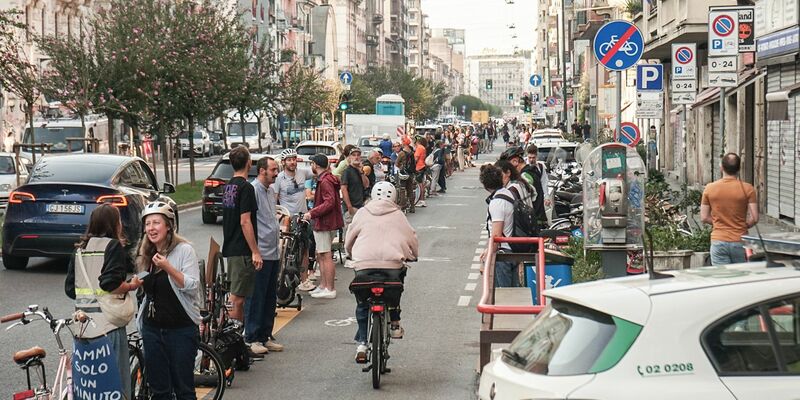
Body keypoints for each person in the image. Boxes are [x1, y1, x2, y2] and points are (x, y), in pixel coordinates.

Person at [65, 204, 140, 397]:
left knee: (91, 388)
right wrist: (131, 286)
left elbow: (70, 289)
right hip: (108, 326)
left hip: (82, 328)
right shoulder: (112, 246)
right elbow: (110, 283)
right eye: (119, 220)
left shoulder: (79, 250)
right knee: (115, 385)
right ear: (114, 224)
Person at [345, 181, 418, 362]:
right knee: (397, 285)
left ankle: (362, 343)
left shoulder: (362, 213)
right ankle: (394, 322)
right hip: (392, 265)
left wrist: (350, 253)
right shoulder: (398, 215)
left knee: (362, 301)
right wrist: (413, 255)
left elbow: (350, 237)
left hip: (364, 264)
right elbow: (411, 237)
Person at [136, 202, 202, 400]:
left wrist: (168, 267)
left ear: (168, 226)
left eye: (156, 223)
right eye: (148, 224)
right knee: (159, 390)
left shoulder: (184, 250)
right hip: (152, 330)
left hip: (180, 329)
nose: (151, 228)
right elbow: (143, 287)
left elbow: (191, 285)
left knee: (184, 389)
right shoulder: (145, 253)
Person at [246, 156, 285, 354]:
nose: (276, 173)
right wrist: (255, 251)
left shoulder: (270, 191)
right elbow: (248, 221)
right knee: (256, 296)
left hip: (273, 250)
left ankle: (264, 335)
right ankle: (252, 337)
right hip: (260, 251)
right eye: (273, 170)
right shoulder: (253, 190)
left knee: (270, 296)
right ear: (262, 170)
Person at [221, 147, 262, 331]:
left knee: (236, 295)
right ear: (249, 163)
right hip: (241, 249)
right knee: (237, 298)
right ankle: (234, 338)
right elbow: (245, 221)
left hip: (231, 246)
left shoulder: (229, 186)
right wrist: (255, 251)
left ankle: (233, 335)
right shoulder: (246, 187)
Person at [700, 153, 758, 266]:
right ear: (739, 169)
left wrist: (718, 222)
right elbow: (755, 218)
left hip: (718, 241)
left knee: (722, 277)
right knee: (741, 277)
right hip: (740, 241)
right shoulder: (748, 189)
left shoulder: (709, 188)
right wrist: (743, 225)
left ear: (721, 167)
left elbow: (704, 217)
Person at [303, 154, 344, 299]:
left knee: (325, 255)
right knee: (321, 254)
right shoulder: (327, 178)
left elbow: (329, 202)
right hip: (328, 222)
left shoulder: (325, 181)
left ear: (316, 164)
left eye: (312, 163)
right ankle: (324, 285)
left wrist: (312, 213)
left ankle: (329, 287)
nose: (311, 166)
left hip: (325, 222)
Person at [479, 164, 518, 287]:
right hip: (513, 250)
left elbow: (496, 235)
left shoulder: (497, 202)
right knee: (512, 293)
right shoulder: (508, 194)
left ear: (485, 184)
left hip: (503, 254)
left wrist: (487, 259)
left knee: (503, 295)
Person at [341, 147, 368, 263]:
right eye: (354, 155)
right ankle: (348, 256)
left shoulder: (359, 171)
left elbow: (366, 184)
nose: (356, 157)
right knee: (349, 232)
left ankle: (356, 254)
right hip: (351, 207)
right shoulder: (347, 172)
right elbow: (344, 189)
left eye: (358, 155)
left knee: (360, 232)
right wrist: (349, 206)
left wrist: (361, 172)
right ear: (349, 157)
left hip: (360, 206)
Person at [522, 144, 549, 225]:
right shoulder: (523, 167)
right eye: (529, 157)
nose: (531, 160)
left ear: (536, 156)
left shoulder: (541, 167)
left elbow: (544, 182)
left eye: (533, 158)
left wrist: (546, 197)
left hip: (538, 198)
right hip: (526, 197)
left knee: (539, 220)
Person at [414, 136, 428, 208]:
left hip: (418, 167)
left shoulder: (419, 148)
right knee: (421, 183)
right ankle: (422, 200)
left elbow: (416, 158)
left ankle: (421, 200)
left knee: (419, 184)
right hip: (422, 165)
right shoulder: (423, 147)